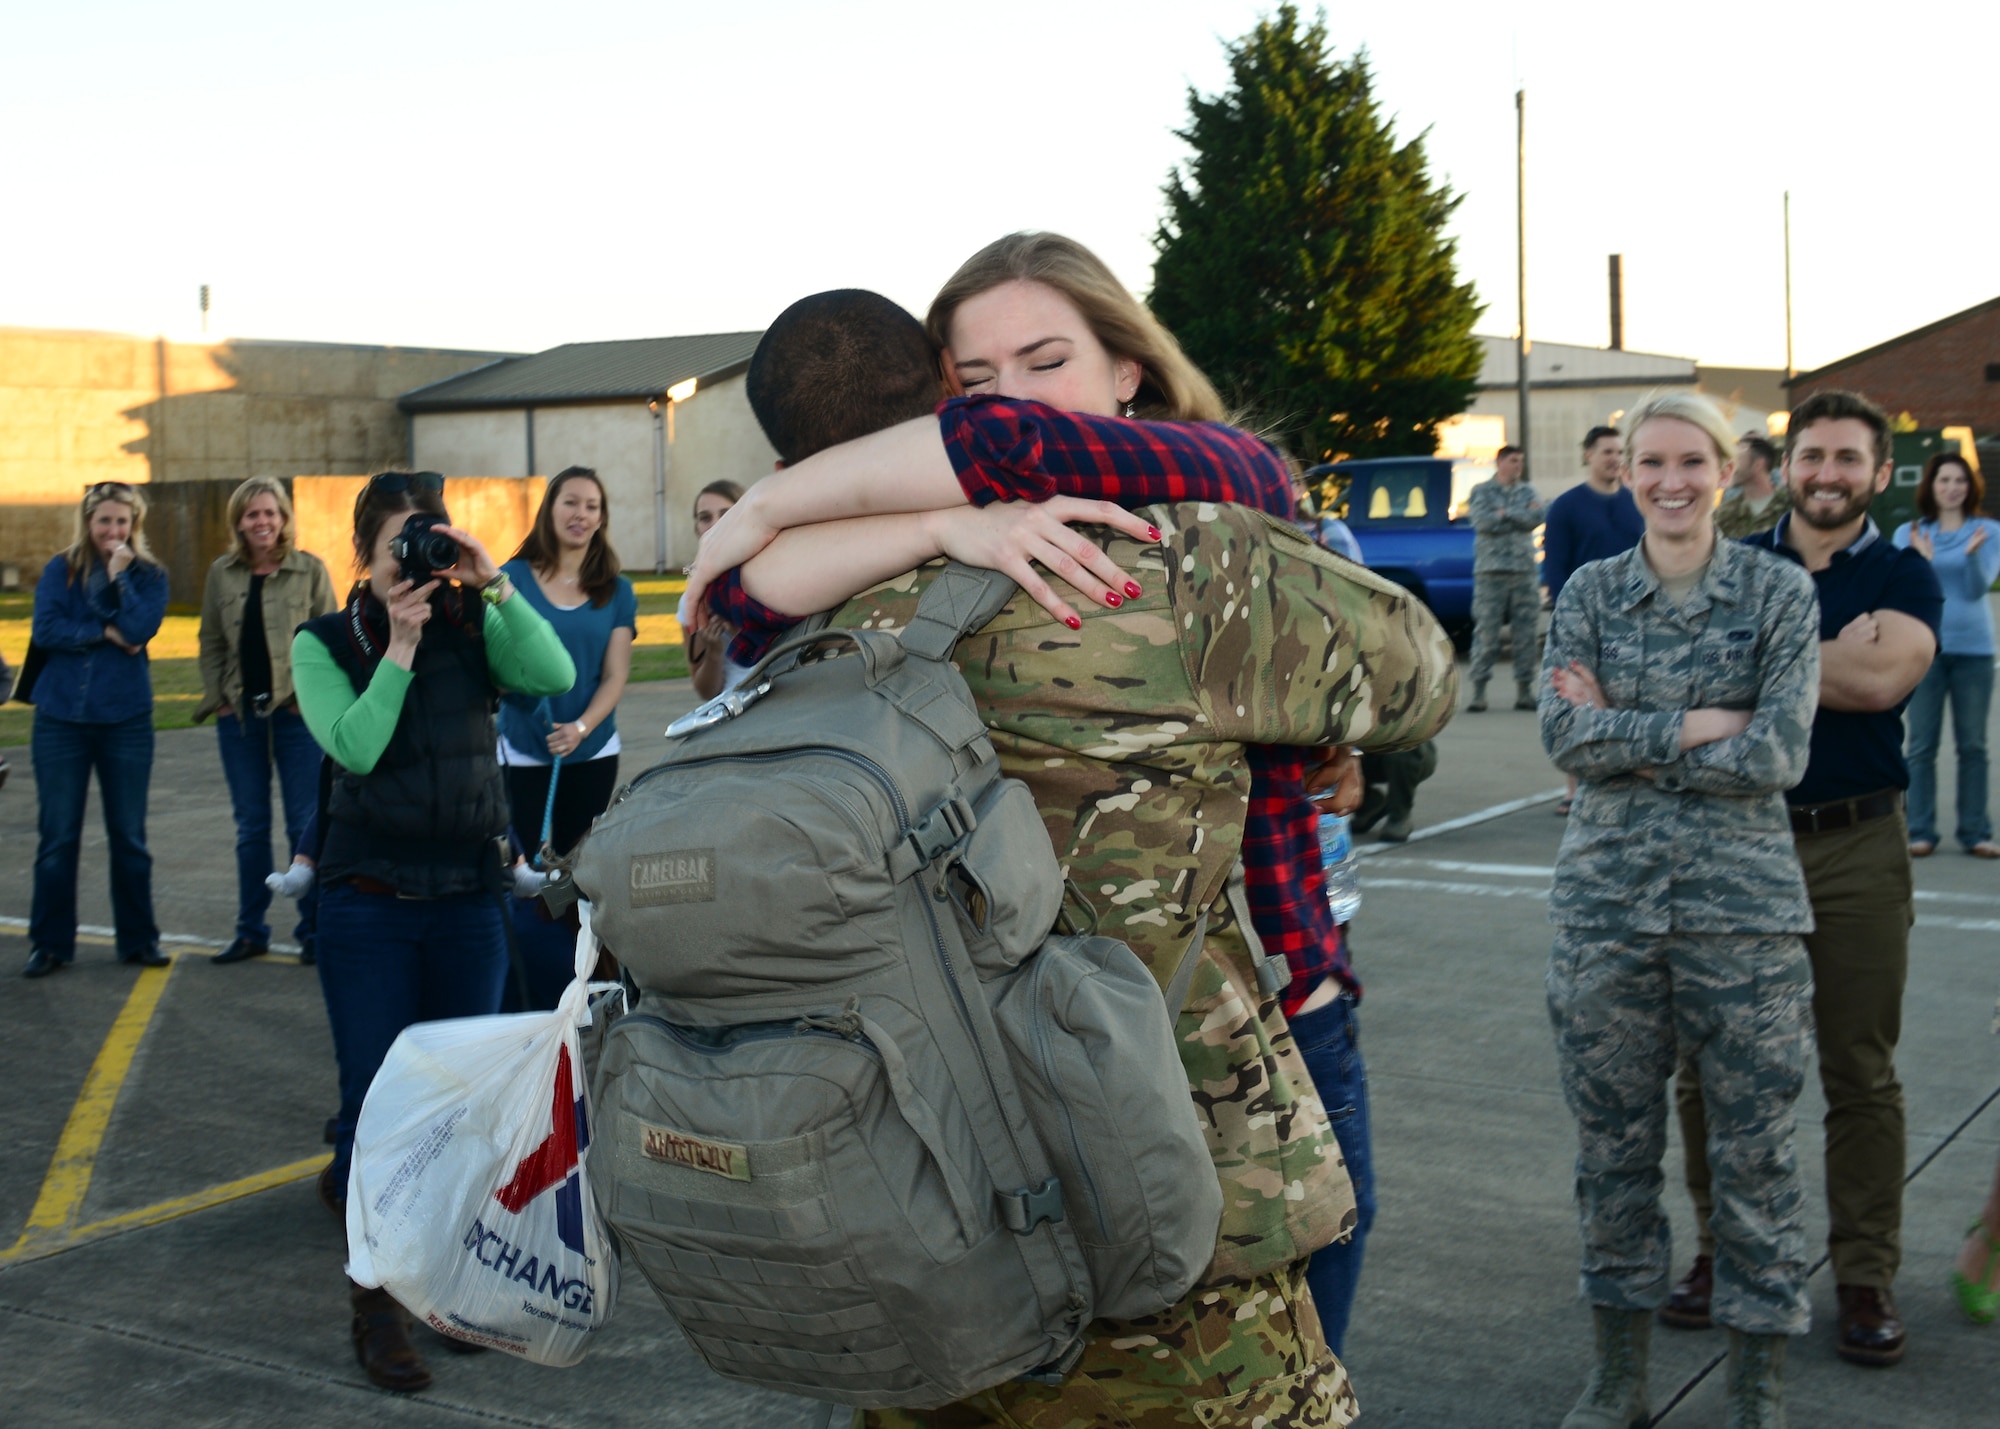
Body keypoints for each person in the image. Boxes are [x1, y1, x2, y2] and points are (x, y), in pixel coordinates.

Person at [702, 279, 1457, 1426]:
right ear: (942, 401)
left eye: (1044, 361)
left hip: (901, 1196)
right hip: (1157, 1188)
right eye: (986, 380)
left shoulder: (778, 627)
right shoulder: (1168, 557)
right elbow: (1419, 677)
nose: (1018, 404)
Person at [1540, 391, 1820, 1429]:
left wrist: (1626, 725)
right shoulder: (1587, 593)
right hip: (1604, 914)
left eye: (1689, 461)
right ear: (1623, 467)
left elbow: (1777, 754)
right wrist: (1702, 722)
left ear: (1725, 470)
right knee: (1609, 1152)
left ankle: (1757, 1384)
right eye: (1646, 460)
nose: (1667, 480)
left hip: (1740, 918)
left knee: (1756, 1154)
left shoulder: (1778, 592)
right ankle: (1617, 1374)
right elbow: (1564, 740)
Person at [1671, 389, 1944, 1369]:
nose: (1825, 472)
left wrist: (1750, 660)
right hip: (1735, 839)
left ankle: (1862, 1273)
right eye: (1810, 455)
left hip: (1854, 847)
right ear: (1785, 466)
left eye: (1845, 458)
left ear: (1878, 473)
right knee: (1710, 1068)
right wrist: (1818, 651)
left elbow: (1879, 682)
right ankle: (1720, 1253)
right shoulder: (1729, 565)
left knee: (1856, 1073)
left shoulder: (1903, 574)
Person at [292, 470, 572, 1393]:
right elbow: (358, 748)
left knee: (459, 1114)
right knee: (377, 1111)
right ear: (364, 556)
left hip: (464, 900)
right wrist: (400, 649)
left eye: (433, 541)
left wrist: (491, 582)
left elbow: (554, 676)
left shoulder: (471, 622)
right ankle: (375, 1308)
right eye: (402, 545)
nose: (420, 561)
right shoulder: (325, 640)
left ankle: (444, 1289)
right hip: (368, 903)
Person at [23, 482, 170, 977]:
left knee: (129, 836)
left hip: (125, 721)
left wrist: (119, 578)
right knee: (58, 837)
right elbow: (45, 630)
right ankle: (49, 944)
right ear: (88, 521)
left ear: (135, 525)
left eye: (122, 521)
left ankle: (138, 940)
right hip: (60, 719)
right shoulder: (58, 571)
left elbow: (138, 630)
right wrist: (102, 631)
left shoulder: (149, 576)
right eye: (104, 520)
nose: (113, 530)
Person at [195, 476, 339, 966]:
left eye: (270, 513)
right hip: (240, 719)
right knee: (250, 827)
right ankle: (250, 930)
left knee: (303, 825)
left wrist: (308, 698)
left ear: (283, 519)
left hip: (297, 719)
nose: (261, 522)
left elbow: (331, 641)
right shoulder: (222, 572)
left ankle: (313, 931)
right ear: (239, 521)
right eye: (252, 514)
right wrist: (219, 698)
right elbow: (211, 640)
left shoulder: (309, 570)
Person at [498, 466, 636, 860]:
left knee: (577, 870)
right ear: (550, 510)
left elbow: (615, 675)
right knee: (524, 868)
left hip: (592, 749)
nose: (581, 514)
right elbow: (495, 663)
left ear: (601, 519)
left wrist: (579, 728)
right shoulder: (511, 580)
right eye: (571, 502)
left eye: (592, 506)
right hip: (523, 746)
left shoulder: (618, 591)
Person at [1893, 452, 1999, 858]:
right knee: (1921, 744)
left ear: (1970, 487)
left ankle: (1975, 832)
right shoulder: (1910, 532)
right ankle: (1920, 830)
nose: (1952, 488)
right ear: (1930, 487)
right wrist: (1921, 563)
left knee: (1972, 745)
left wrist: (1971, 555)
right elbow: (1906, 589)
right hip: (1924, 649)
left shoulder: (1988, 531)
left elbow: (1976, 590)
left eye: (1959, 481)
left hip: (1974, 650)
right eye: (1944, 481)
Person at [1542, 426, 1645, 816]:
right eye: (1606, 451)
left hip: (1634, 615)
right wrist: (1562, 613)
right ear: (1587, 455)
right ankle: (1573, 789)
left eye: (1620, 451)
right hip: (1582, 617)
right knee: (1576, 697)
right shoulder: (1567, 506)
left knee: (1622, 695)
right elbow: (1555, 565)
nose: (1614, 458)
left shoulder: (1636, 502)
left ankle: (1625, 777)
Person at [1466, 444, 1545, 712]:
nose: (1518, 466)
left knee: (1526, 633)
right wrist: (1516, 516)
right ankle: (1479, 690)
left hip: (1523, 571)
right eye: (1513, 460)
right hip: (1491, 572)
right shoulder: (1481, 491)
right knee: (1486, 632)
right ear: (1499, 462)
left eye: (1520, 461)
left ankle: (1524, 690)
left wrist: (1505, 513)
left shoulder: (1528, 490)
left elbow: (1537, 516)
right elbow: (1481, 522)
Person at [684, 480, 746, 700]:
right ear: (696, 528)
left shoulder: (773, 575)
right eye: (705, 518)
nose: (715, 524)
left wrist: (737, 629)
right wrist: (714, 653)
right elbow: (706, 692)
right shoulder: (693, 599)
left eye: (725, 514)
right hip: (732, 716)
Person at [1714, 433, 1790, 540]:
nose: (1730, 468)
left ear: (1758, 465)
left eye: (1737, 460)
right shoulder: (1724, 515)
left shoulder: (1791, 507)